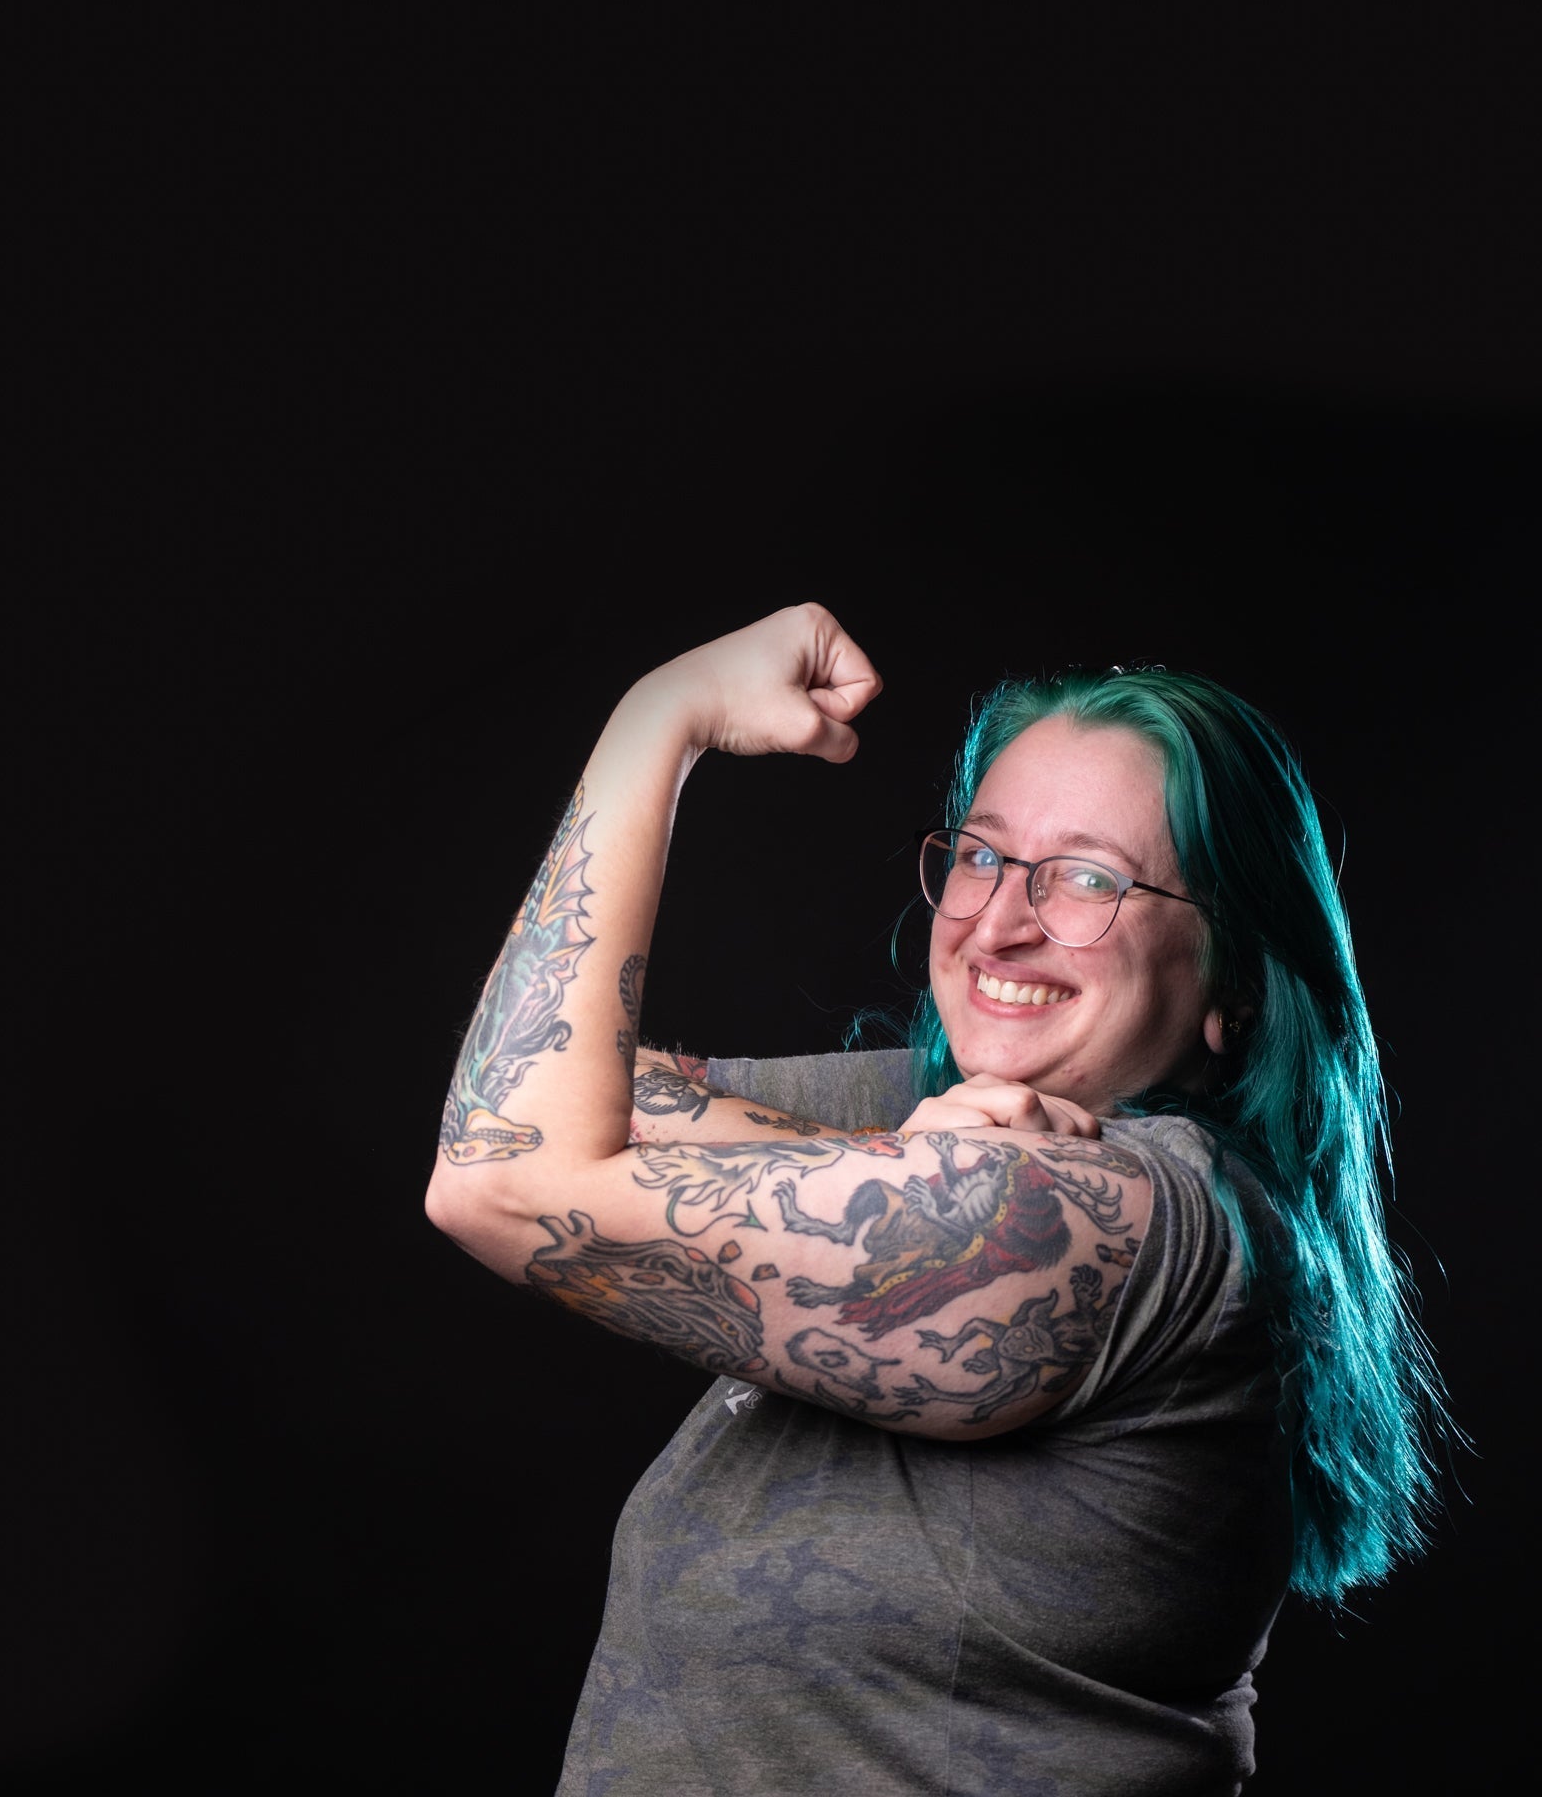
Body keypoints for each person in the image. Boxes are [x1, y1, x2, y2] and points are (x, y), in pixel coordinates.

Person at [425, 603, 1451, 1796]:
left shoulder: (1120, 1220)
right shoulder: (947, 1100)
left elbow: (499, 1168)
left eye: (1087, 880)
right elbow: (545, 1091)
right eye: (981, 856)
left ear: (1234, 981)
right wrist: (905, 1147)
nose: (1002, 926)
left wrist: (658, 722)